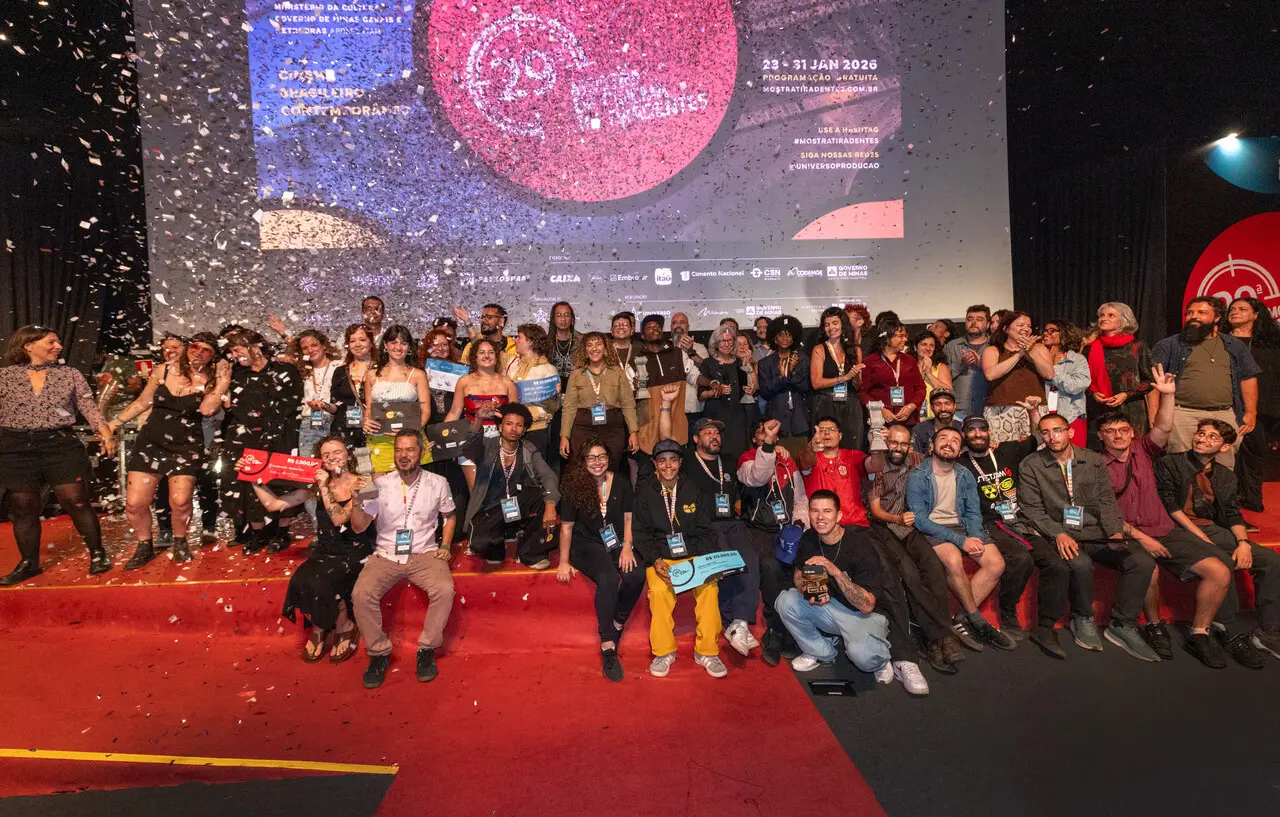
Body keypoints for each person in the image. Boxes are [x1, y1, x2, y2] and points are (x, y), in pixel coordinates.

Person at [1100, 374, 1268, 669]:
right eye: (1110, 430)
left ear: (1132, 433)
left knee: (1218, 567)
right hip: (1130, 535)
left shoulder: (1144, 451)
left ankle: (1200, 633)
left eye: (1123, 429)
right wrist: (1142, 538)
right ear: (1100, 435)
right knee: (1146, 567)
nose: (1117, 435)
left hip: (1165, 531)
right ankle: (1154, 626)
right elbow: (1104, 512)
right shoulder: (1094, 464)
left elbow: (1164, 426)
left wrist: (1167, 394)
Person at [1017, 413, 1161, 661]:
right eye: (1046, 432)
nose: (1053, 437)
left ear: (1070, 432)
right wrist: (1058, 533)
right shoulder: (1031, 464)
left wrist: (1115, 529)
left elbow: (1107, 500)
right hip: (1060, 531)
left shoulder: (1093, 461)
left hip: (1096, 530)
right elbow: (1031, 509)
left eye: (1058, 430)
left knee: (1142, 562)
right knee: (1080, 563)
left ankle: (1122, 624)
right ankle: (1082, 617)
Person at [776, 491, 929, 696]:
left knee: (865, 659)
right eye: (815, 511)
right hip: (830, 607)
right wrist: (809, 590)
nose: (820, 517)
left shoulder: (860, 546)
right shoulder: (809, 538)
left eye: (827, 511)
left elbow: (867, 605)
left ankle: (882, 659)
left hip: (864, 614)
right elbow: (798, 574)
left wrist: (836, 573)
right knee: (786, 600)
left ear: (839, 516)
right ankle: (822, 652)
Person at [1155, 418, 1280, 664]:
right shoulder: (1170, 463)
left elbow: (1233, 513)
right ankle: (1229, 630)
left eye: (1212, 437)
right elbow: (1170, 506)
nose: (1202, 439)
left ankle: (1269, 630)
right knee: (1222, 560)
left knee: (1271, 560)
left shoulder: (1225, 476)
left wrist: (1243, 542)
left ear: (1224, 447)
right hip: (1178, 528)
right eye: (1201, 433)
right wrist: (1201, 537)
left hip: (1212, 529)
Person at [956, 411, 1078, 658]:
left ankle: (1045, 626)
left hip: (1020, 520)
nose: (978, 434)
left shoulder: (1007, 451)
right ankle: (1008, 611)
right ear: (964, 436)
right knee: (1020, 558)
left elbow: (1037, 437)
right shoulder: (960, 464)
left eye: (982, 428)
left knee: (1057, 564)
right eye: (971, 430)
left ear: (990, 432)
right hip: (988, 522)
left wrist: (1034, 414)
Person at [0, 326, 116, 584]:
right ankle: (29, 563)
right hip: (16, 446)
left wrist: (106, 432)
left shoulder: (69, 374)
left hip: (59, 443)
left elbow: (88, 406)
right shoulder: (4, 376)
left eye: (59, 342)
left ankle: (98, 554)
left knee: (75, 500)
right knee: (23, 506)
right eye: (51, 342)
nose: (59, 346)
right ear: (28, 345)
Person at [655, 387, 760, 659]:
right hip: (704, 526)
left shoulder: (727, 461)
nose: (714, 436)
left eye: (717, 432)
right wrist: (666, 405)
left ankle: (739, 623)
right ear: (695, 438)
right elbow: (666, 438)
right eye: (707, 432)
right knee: (724, 564)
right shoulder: (688, 460)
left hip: (732, 522)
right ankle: (731, 622)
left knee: (749, 560)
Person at [249, 436, 374, 664]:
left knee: (324, 580)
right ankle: (320, 626)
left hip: (355, 550)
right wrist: (253, 477)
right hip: (326, 549)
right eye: (326, 454)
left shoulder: (362, 483)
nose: (331, 457)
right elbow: (274, 505)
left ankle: (343, 626)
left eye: (336, 452)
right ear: (320, 460)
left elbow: (339, 520)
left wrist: (325, 488)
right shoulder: (315, 488)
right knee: (300, 579)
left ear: (348, 455)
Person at [349, 430, 457, 689]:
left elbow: (449, 516)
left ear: (420, 452)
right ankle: (378, 653)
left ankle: (427, 649)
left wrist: (445, 544)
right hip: (386, 554)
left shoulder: (438, 482)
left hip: (424, 553)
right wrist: (356, 503)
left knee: (444, 590)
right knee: (361, 594)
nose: (404, 455)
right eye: (399, 450)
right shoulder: (380, 484)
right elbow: (359, 527)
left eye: (410, 450)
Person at [109, 335, 223, 568]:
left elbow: (207, 409)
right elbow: (142, 402)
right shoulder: (163, 370)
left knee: (180, 501)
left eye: (207, 350)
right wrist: (112, 425)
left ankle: (180, 541)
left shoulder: (213, 379)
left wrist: (223, 381)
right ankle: (144, 545)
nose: (199, 352)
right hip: (151, 442)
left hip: (186, 444)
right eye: (195, 346)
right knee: (135, 502)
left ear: (213, 356)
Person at [905, 427, 1018, 651]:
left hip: (963, 527)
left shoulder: (965, 474)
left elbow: (973, 512)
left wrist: (974, 535)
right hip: (933, 529)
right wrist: (961, 541)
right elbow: (919, 520)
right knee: (954, 559)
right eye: (943, 439)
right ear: (932, 446)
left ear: (960, 449)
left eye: (955, 440)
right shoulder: (918, 476)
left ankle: (960, 618)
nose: (949, 443)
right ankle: (978, 621)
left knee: (996, 564)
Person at [866, 424, 966, 674]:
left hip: (910, 525)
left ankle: (936, 637)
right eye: (894, 443)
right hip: (883, 526)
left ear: (909, 445)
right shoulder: (877, 468)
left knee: (933, 566)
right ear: (886, 442)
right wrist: (897, 519)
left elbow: (944, 456)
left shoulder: (915, 459)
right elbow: (876, 511)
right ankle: (939, 637)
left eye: (903, 443)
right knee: (908, 573)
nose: (898, 448)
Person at [633, 438, 727, 678]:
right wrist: (655, 560)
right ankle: (664, 652)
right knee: (660, 592)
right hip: (661, 557)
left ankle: (707, 651)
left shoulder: (694, 488)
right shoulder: (644, 492)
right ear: (655, 464)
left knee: (710, 588)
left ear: (680, 463)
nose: (668, 466)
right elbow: (641, 534)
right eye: (662, 461)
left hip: (694, 554)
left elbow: (706, 529)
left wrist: (707, 562)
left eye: (673, 460)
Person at [555, 440, 644, 681]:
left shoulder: (622, 482)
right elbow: (566, 528)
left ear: (609, 458)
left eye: (602, 456)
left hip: (615, 541)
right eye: (591, 458)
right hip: (586, 544)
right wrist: (563, 561)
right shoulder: (574, 486)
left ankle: (617, 623)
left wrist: (627, 547)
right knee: (608, 578)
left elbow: (628, 518)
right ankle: (607, 643)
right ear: (583, 461)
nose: (597, 462)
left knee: (636, 575)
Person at [217, 329, 304, 553]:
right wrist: (223, 381)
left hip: (279, 433)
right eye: (231, 352)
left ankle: (282, 532)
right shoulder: (236, 374)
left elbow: (292, 403)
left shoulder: (285, 370)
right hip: (242, 436)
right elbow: (227, 406)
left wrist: (272, 429)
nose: (234, 355)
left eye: (237, 350)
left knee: (281, 480)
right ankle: (258, 533)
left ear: (255, 347)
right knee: (246, 484)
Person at [1152, 296, 1260, 469]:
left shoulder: (1235, 346)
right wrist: (1155, 415)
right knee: (1182, 468)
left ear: (1217, 318)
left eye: (1201, 312)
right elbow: (1153, 382)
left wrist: (1251, 412)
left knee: (1223, 469)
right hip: (1182, 415)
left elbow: (1248, 377)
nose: (1194, 316)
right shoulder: (1170, 345)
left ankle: (1217, 497)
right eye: (1190, 313)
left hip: (1224, 415)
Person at [737, 417, 810, 666]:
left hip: (788, 527)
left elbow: (800, 498)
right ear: (755, 439)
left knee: (807, 564)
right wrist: (768, 447)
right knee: (770, 567)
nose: (766, 435)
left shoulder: (787, 460)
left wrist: (800, 523)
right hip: (759, 528)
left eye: (770, 432)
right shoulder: (746, 459)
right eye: (761, 433)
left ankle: (809, 629)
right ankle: (775, 631)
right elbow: (757, 477)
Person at [461, 403, 560, 568]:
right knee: (483, 544)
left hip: (515, 505)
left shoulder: (528, 449)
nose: (513, 428)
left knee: (545, 495)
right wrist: (478, 419)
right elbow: (469, 448)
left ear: (524, 430)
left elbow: (548, 476)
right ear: (500, 427)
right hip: (488, 511)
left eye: (519, 425)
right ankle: (497, 542)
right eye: (509, 424)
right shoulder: (487, 446)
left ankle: (528, 553)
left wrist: (550, 504)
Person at [1222, 296, 1280, 512]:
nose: (1235, 312)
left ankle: (1252, 499)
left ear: (1256, 314)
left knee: (1253, 453)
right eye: (1232, 309)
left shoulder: (1271, 346)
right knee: (1227, 453)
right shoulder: (1219, 342)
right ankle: (1228, 500)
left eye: (1242, 309)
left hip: (1260, 409)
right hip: (1225, 405)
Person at [444, 337, 518, 490]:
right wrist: (443, 439)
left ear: (496, 356)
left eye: (491, 352)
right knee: (477, 494)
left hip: (501, 442)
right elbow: (454, 412)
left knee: (501, 492)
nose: (487, 356)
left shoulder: (508, 383)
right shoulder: (463, 382)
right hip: (471, 439)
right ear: (475, 357)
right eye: (482, 352)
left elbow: (517, 417)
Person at [559, 331, 638, 471]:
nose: (594, 348)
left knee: (611, 468)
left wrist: (633, 432)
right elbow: (569, 408)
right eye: (589, 345)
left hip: (613, 428)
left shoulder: (618, 372)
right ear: (585, 350)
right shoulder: (576, 374)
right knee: (584, 469)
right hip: (583, 428)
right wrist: (564, 436)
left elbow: (628, 405)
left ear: (606, 349)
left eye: (598, 344)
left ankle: (608, 493)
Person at [362, 325, 431, 474]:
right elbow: (369, 407)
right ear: (385, 345)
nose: (398, 347)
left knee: (413, 489)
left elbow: (425, 410)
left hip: (410, 441)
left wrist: (412, 431)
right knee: (381, 490)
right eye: (394, 342)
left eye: (403, 343)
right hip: (380, 439)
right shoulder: (372, 375)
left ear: (409, 347)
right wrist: (366, 422)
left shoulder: (418, 374)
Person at [1084, 302, 1155, 443]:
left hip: (1130, 410)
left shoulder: (1137, 346)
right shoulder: (1090, 348)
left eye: (1111, 315)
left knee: (1132, 454)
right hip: (1099, 410)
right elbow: (1082, 381)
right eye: (1102, 315)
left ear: (1124, 320)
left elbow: (1151, 380)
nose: (1104, 318)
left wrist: (1126, 394)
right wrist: (1093, 394)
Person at [981, 311, 1056, 443]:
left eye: (1029, 326)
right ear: (1006, 329)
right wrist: (1019, 354)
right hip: (1001, 410)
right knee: (1004, 454)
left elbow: (1049, 374)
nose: (1026, 329)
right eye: (1020, 325)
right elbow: (990, 375)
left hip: (1035, 408)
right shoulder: (993, 350)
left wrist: (1030, 350)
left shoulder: (1039, 348)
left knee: (1038, 450)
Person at [294, 329, 341, 518]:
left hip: (332, 422)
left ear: (323, 345)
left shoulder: (339, 366)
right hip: (308, 425)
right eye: (305, 347)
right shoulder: (301, 371)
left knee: (337, 474)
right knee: (310, 477)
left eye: (314, 345)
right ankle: (318, 529)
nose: (310, 350)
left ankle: (338, 524)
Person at [798, 416, 870, 528]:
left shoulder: (854, 456)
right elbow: (807, 460)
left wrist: (877, 448)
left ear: (840, 435)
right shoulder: (809, 455)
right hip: (821, 525)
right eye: (821, 430)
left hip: (855, 524)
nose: (826, 433)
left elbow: (875, 466)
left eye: (832, 429)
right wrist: (811, 448)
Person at [811, 306, 866, 450]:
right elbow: (816, 383)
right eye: (827, 324)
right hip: (826, 404)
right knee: (826, 448)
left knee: (852, 449)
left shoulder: (856, 350)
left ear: (843, 324)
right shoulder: (819, 349)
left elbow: (858, 385)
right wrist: (844, 378)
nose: (831, 328)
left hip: (850, 405)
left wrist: (854, 376)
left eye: (835, 323)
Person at [756, 314, 811, 457]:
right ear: (775, 338)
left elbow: (806, 386)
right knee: (780, 464)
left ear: (794, 338)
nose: (785, 339)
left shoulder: (803, 360)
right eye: (781, 335)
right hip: (776, 421)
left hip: (800, 422)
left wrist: (791, 374)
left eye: (788, 335)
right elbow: (765, 391)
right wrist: (781, 377)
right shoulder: (765, 363)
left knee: (802, 465)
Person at [503, 324, 561, 456]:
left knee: (534, 471)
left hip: (535, 429)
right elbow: (487, 353)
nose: (515, 340)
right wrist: (469, 324)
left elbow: (554, 407)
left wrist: (554, 396)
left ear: (530, 342)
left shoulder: (548, 370)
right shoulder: (510, 362)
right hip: (510, 429)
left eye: (519, 337)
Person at [861, 320, 926, 437]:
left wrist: (911, 406)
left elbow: (921, 388)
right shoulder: (870, 361)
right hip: (880, 421)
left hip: (908, 420)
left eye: (905, 336)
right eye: (901, 336)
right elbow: (863, 392)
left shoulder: (909, 360)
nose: (905, 340)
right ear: (887, 338)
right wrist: (881, 409)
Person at [699, 324, 749, 466]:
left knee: (739, 458)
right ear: (715, 343)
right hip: (716, 418)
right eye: (723, 341)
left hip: (737, 418)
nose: (726, 344)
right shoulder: (708, 364)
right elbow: (701, 395)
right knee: (718, 459)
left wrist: (748, 367)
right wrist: (715, 391)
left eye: (730, 340)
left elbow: (751, 390)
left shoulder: (739, 362)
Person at [1041, 320, 1092, 447]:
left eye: (1051, 330)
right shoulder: (1038, 360)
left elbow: (1077, 386)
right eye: (1045, 330)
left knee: (1074, 457)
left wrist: (1052, 368)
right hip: (1045, 416)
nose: (1046, 333)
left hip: (1071, 416)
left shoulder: (1076, 359)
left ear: (1064, 334)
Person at [329, 324, 375, 448]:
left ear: (371, 342)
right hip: (344, 430)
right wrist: (324, 406)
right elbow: (335, 404)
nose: (357, 344)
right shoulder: (340, 371)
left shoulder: (382, 369)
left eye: (362, 339)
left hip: (374, 428)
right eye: (352, 341)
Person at [944, 305, 992, 420]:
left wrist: (981, 364)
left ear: (988, 324)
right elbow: (942, 378)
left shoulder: (995, 346)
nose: (974, 322)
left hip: (989, 410)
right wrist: (961, 365)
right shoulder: (952, 346)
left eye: (979, 319)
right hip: (958, 411)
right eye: (970, 319)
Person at [671, 311, 710, 425]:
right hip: (670, 407)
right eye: (674, 323)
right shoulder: (665, 348)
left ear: (688, 327)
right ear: (671, 327)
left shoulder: (699, 347)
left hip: (693, 407)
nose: (678, 325)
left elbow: (705, 370)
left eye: (682, 322)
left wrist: (691, 352)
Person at [913, 330, 953, 419]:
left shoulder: (941, 367)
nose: (928, 348)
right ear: (915, 347)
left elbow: (947, 393)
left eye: (931, 345)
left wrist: (929, 374)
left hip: (935, 417)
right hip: (912, 415)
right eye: (924, 344)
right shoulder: (908, 366)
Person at [911, 389, 961, 454]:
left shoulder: (962, 429)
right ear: (932, 408)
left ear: (954, 406)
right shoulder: (920, 430)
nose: (943, 408)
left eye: (947, 403)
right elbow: (915, 459)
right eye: (938, 404)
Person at [734, 331, 761, 445]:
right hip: (735, 407)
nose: (742, 347)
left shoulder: (754, 364)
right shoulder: (730, 364)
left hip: (751, 407)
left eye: (745, 344)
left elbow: (756, 386)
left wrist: (748, 364)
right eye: (738, 344)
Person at [547, 301, 581, 388]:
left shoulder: (582, 341)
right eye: (559, 315)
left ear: (572, 318)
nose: (563, 319)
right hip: (551, 388)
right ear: (553, 319)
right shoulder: (546, 342)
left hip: (577, 387)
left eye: (567, 315)